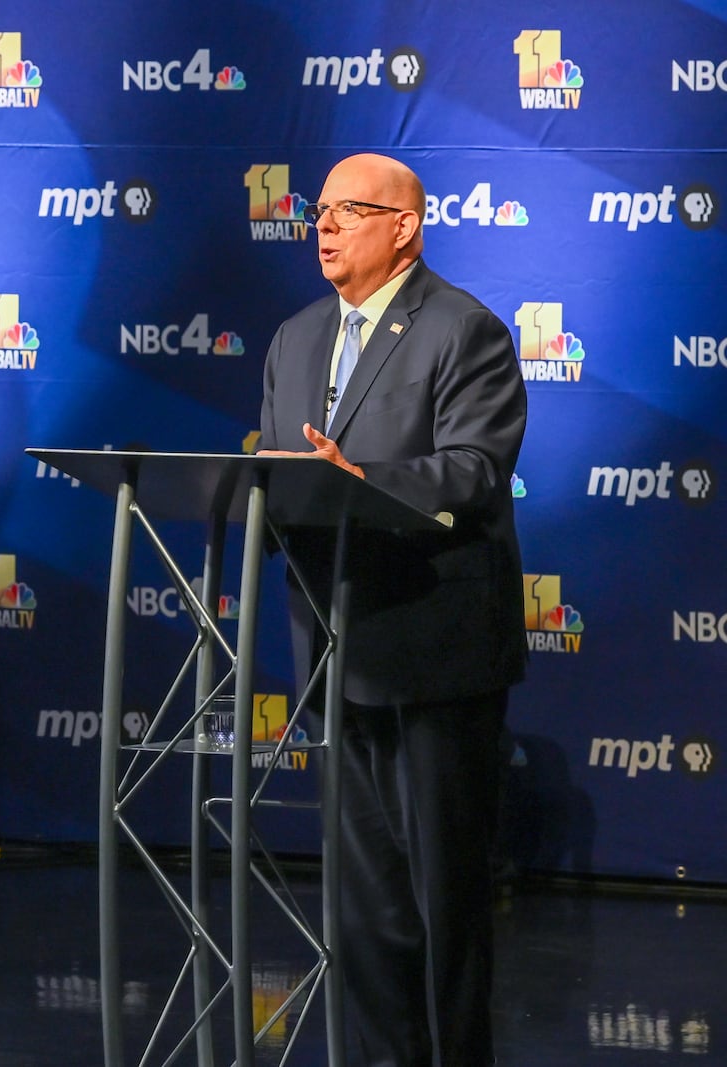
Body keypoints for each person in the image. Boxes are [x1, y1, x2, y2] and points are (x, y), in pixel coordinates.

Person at [257, 153, 528, 1067]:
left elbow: (472, 471)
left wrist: (360, 482)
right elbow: (280, 477)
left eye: (348, 211)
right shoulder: (294, 338)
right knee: (364, 907)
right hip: (337, 656)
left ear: (405, 227)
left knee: (441, 902)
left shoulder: (465, 331)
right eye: (318, 212)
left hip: (434, 649)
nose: (323, 226)